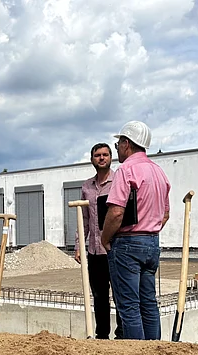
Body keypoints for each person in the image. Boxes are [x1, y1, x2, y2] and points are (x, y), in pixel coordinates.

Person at [101, 121, 171, 340]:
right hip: (152, 243)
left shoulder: (126, 170)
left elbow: (116, 213)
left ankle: (136, 354)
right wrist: (148, 231)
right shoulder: (159, 172)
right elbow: (165, 214)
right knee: (148, 303)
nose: (117, 149)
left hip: (127, 245)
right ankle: (154, 351)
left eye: (117, 144)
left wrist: (105, 239)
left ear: (126, 143)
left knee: (129, 306)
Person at [74, 143, 123, 339]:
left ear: (111, 157)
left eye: (105, 155)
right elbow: (84, 219)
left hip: (115, 250)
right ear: (92, 159)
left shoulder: (119, 181)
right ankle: (102, 336)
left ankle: (122, 335)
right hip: (95, 252)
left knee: (120, 294)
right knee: (99, 296)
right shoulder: (87, 187)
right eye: (97, 155)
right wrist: (79, 245)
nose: (101, 158)